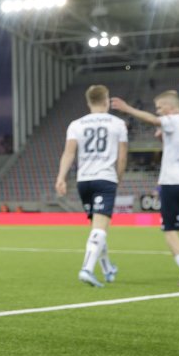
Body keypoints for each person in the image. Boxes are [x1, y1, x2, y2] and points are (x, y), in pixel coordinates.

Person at [111, 91, 179, 286]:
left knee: (170, 229)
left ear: (170, 107)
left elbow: (152, 121)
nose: (158, 112)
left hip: (172, 181)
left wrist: (128, 109)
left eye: (159, 108)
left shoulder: (173, 120)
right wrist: (163, 139)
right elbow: (178, 147)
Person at [54, 85, 128, 287]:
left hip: (83, 180)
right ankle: (87, 269)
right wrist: (118, 178)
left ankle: (107, 268)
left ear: (88, 102)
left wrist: (61, 177)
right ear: (106, 100)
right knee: (100, 229)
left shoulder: (76, 124)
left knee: (97, 227)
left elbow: (69, 153)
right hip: (105, 178)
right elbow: (122, 157)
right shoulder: (118, 123)